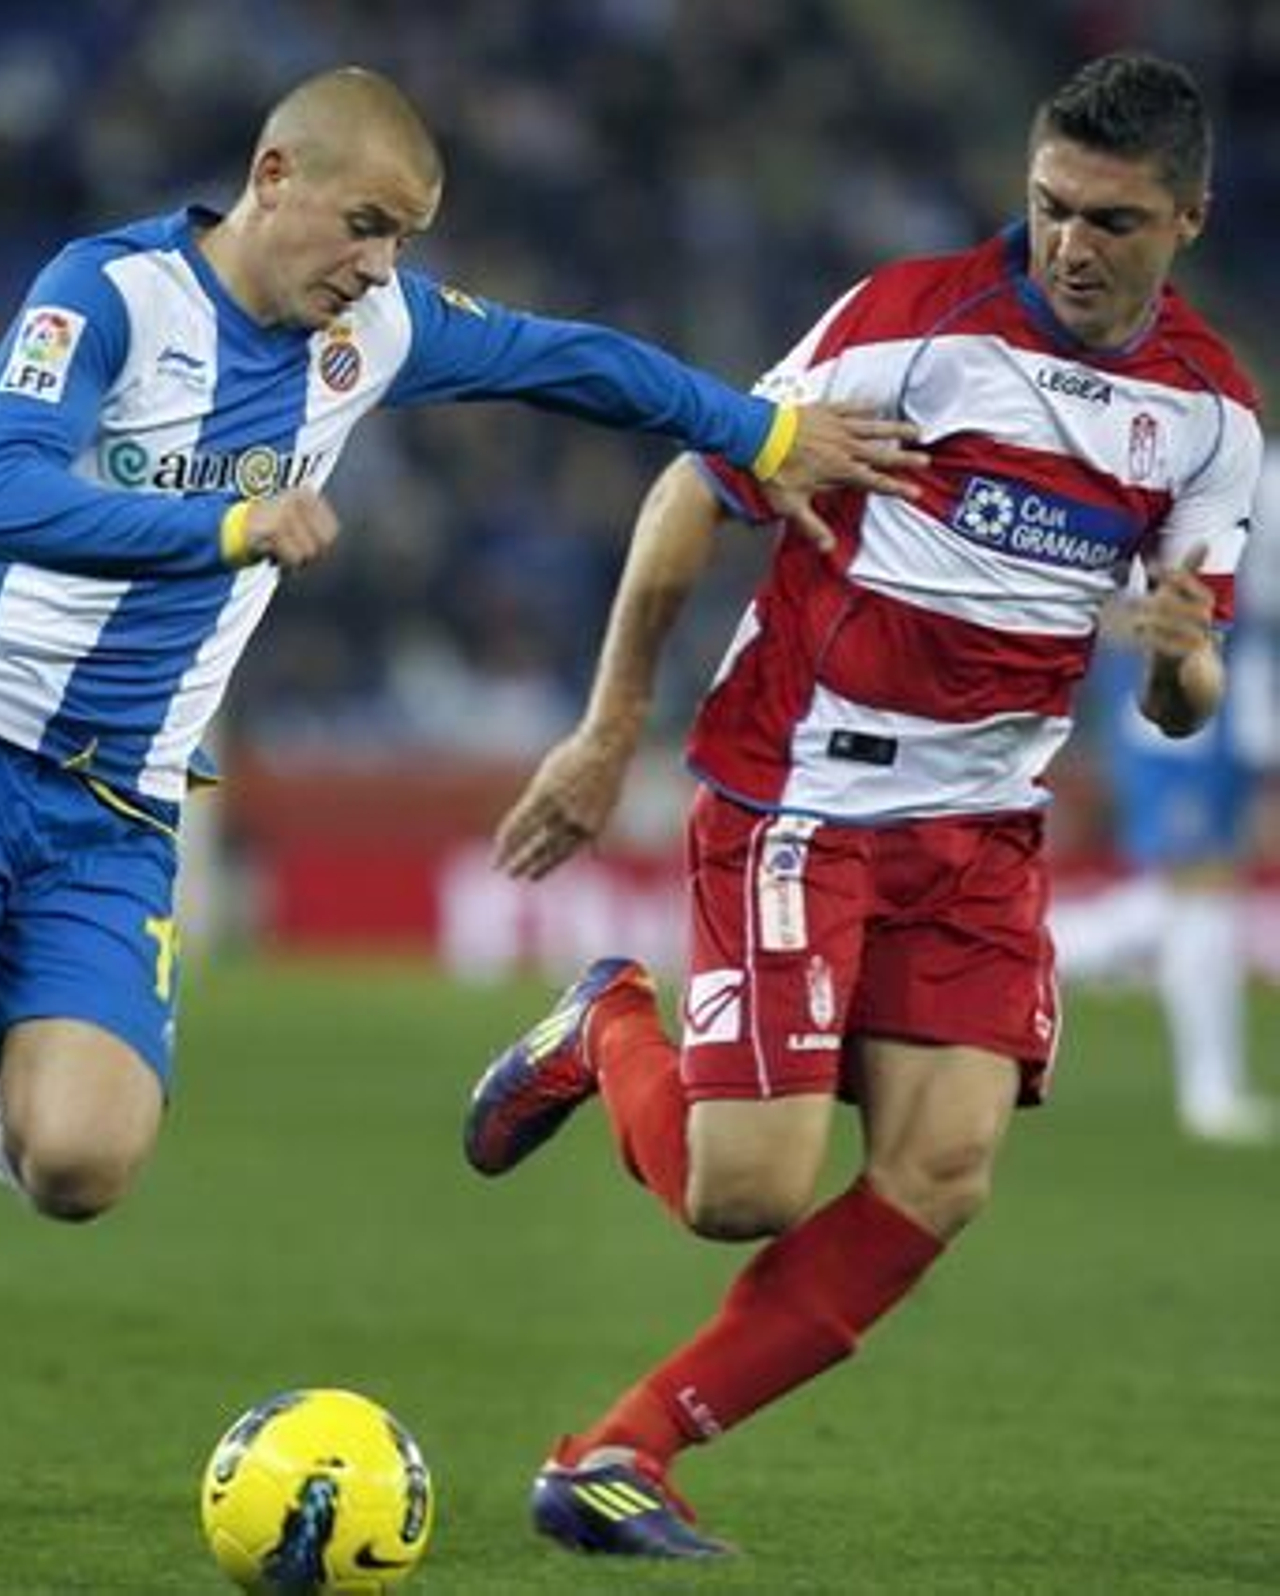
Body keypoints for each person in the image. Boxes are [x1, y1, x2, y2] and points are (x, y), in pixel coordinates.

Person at [0, 66, 922, 1589]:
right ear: (274, 177)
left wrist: (763, 428)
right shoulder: (110, 296)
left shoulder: (377, 332)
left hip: (114, 810)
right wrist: (225, 524)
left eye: (404, 238)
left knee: (81, 1167)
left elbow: (576, 361)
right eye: (365, 224)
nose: (380, 265)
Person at [463, 51, 1261, 1560]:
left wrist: (1177, 663)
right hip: (807, 795)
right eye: (1049, 206)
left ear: (1189, 219)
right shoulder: (909, 328)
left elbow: (1185, 690)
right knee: (743, 1194)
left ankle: (619, 1453)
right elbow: (693, 489)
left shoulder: (1212, 418)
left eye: (1110, 221)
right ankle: (606, 1027)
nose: (1069, 245)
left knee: (942, 1175)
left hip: (983, 830)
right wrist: (609, 727)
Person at [1050, 486, 1280, 1144]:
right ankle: (1210, 1093)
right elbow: (1113, 598)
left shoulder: (1249, 465)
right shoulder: (1177, 468)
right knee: (1198, 882)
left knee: (1204, 889)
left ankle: (1043, 944)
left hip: (1240, 704)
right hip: (1179, 716)